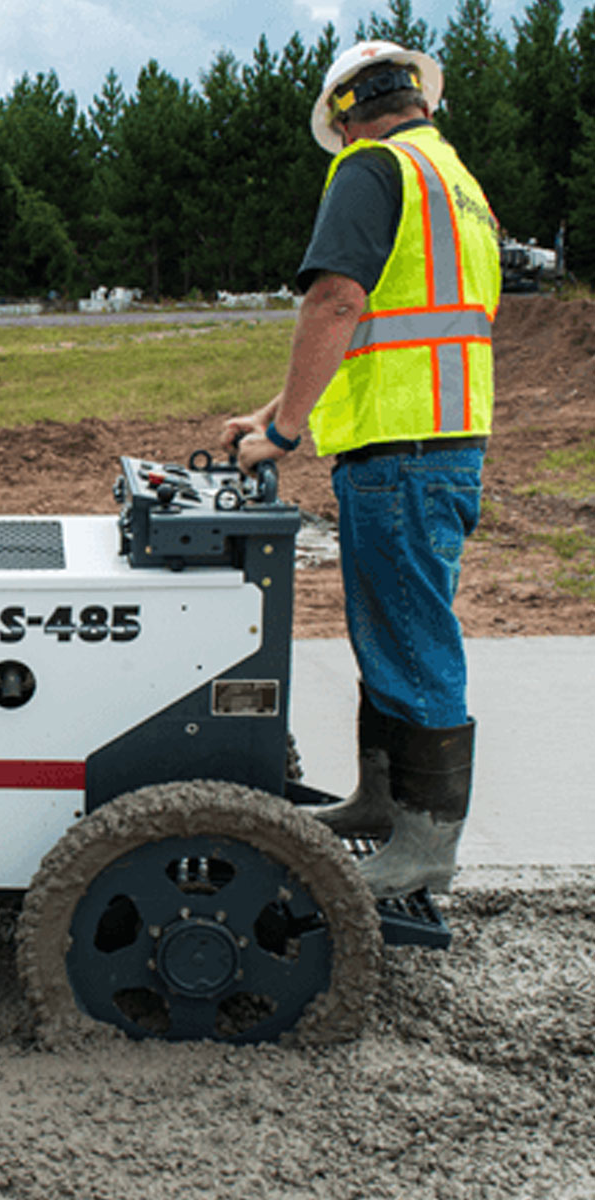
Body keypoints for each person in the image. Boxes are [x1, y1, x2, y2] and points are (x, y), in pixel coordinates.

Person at [222, 41, 500, 898]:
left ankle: (425, 843)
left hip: (402, 451)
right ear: (418, 99)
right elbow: (392, 320)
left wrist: (287, 432)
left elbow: (338, 300)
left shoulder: (372, 168)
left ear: (345, 117)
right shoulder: (454, 179)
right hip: (441, 441)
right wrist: (276, 406)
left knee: (411, 638)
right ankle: (382, 802)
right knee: (391, 630)